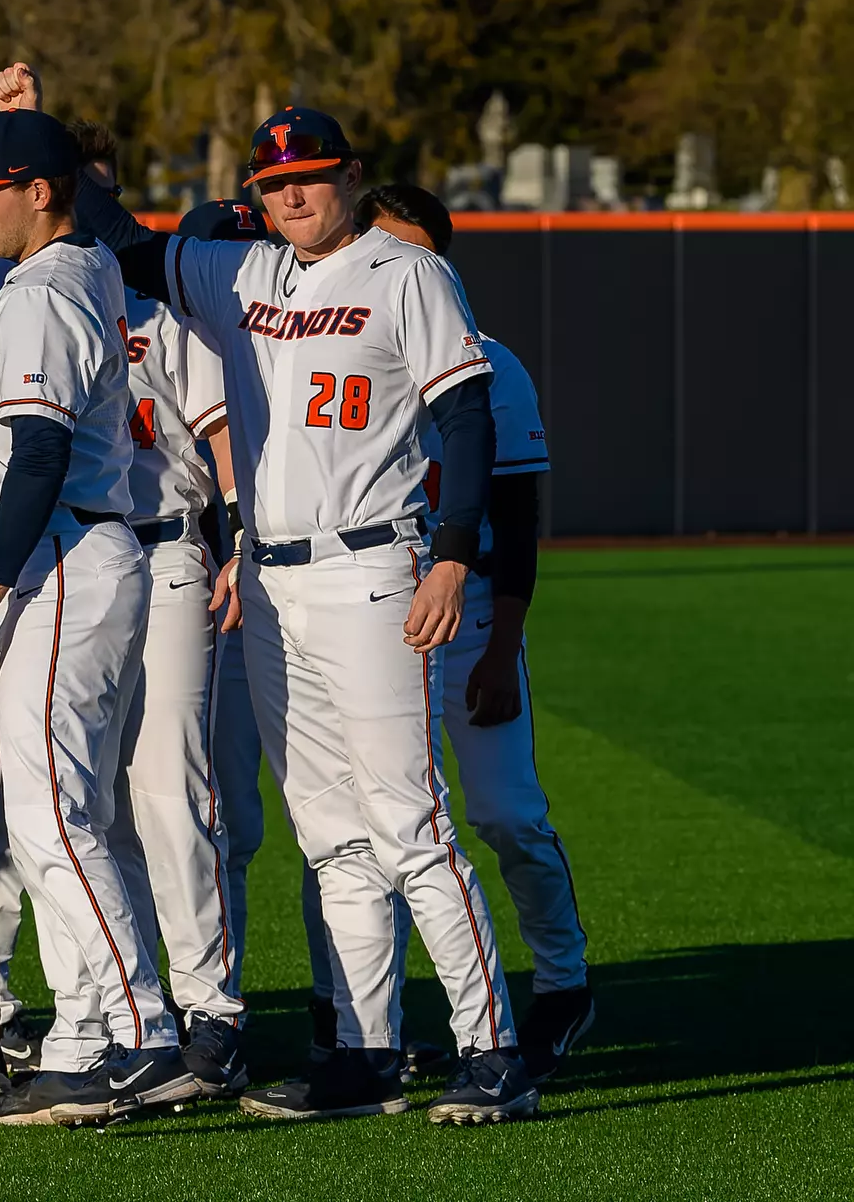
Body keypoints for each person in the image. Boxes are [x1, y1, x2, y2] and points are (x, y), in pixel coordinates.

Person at [75, 99, 537, 1125]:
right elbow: (123, 244)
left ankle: (492, 1047)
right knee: (329, 837)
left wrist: (451, 557)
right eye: (273, 182)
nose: (291, 193)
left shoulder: (406, 271)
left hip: (375, 567)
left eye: (310, 176)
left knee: (410, 825)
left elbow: (461, 418)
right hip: (274, 577)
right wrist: (20, 128)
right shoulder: (240, 271)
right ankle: (362, 1054)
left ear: (350, 175)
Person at [0, 107, 189, 1127]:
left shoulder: (42, 296)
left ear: (38, 192)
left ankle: (142, 1028)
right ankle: (82, 1038)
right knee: (64, 814)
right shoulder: (74, 272)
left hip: (61, 556)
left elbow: (33, 456)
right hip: (80, 552)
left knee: (45, 815)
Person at [359, 183, 593, 1081]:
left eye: (416, 251)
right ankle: (372, 1020)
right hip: (370, 607)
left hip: (474, 615)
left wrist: (501, 647)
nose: (398, 266)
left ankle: (564, 983)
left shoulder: (489, 362)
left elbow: (518, 518)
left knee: (503, 812)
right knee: (380, 826)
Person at [60, 113, 254, 1102]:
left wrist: (236, 543)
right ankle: (127, 1009)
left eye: (97, 190)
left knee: (172, 788)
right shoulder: (38, 300)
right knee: (85, 799)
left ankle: (212, 1008)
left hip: (170, 551)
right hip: (80, 564)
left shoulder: (164, 314)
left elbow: (223, 446)